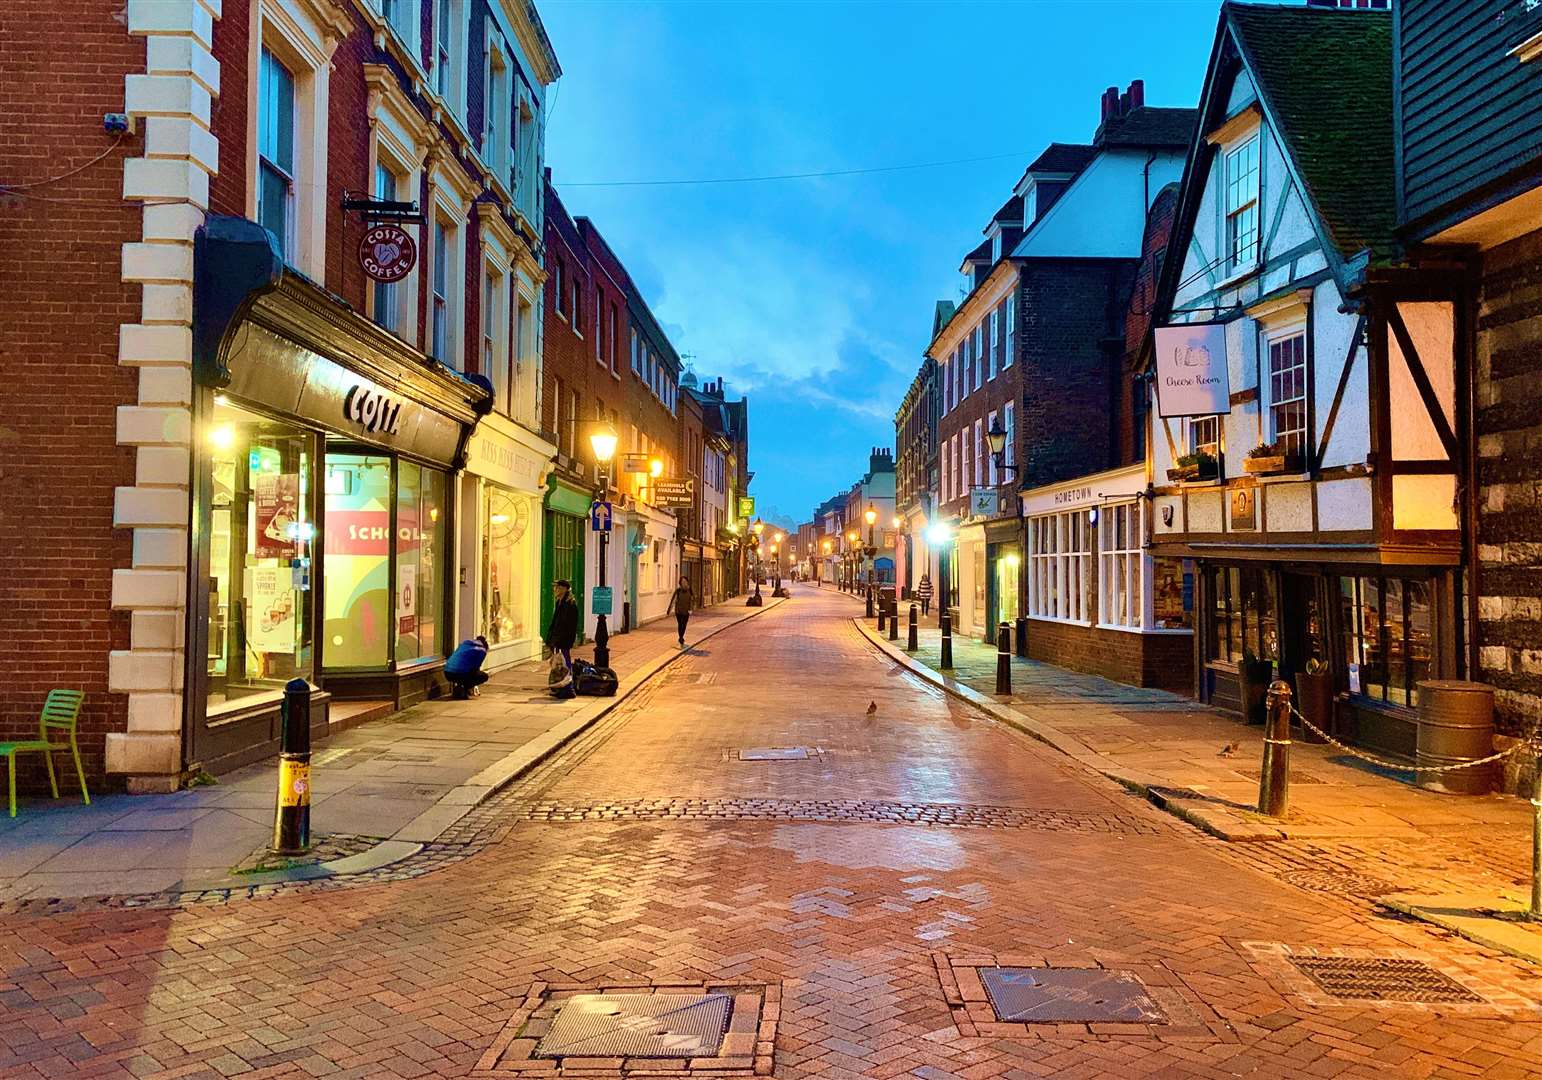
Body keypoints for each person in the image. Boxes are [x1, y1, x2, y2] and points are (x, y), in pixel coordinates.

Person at [544, 579, 579, 672]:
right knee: (560, 658)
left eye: (557, 587)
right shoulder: (559, 602)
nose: (555, 590)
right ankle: (562, 675)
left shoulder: (570, 604)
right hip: (558, 637)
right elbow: (555, 622)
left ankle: (568, 676)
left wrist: (558, 639)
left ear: (563, 589)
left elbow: (569, 625)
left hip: (564, 638)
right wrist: (550, 639)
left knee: (565, 656)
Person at [444, 635, 490, 700]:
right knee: (483, 676)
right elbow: (476, 667)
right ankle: (464, 690)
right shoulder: (482, 650)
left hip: (447, 672)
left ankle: (459, 688)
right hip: (460, 673)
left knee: (465, 671)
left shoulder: (464, 645)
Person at [666, 576, 694, 647]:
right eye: (682, 582)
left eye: (685, 581)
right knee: (680, 624)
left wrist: (691, 608)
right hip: (678, 611)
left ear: (687, 582)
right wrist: (669, 610)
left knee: (684, 625)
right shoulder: (678, 591)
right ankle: (681, 638)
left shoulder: (690, 590)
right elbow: (673, 600)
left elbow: (692, 600)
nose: (684, 583)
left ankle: (681, 637)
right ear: (680, 583)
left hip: (686, 611)